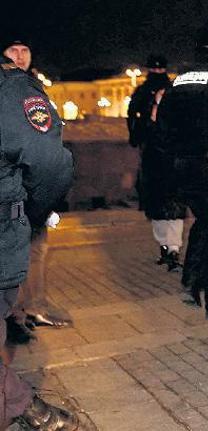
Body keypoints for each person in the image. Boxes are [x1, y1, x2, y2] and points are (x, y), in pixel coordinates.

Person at [0, 50, 78, 430]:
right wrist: (30, 214)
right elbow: (49, 163)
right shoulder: (11, 88)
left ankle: (18, 403)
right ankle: (18, 403)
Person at [155, 27, 208, 319]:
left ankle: (191, 282)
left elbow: (161, 124)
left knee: (205, 221)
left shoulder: (180, 78)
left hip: (180, 164)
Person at [2, 34, 72, 338]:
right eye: (12, 50)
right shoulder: (20, 88)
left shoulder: (27, 84)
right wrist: (41, 204)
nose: (19, 55)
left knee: (34, 251)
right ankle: (19, 314)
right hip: (18, 193)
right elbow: (43, 152)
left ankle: (28, 308)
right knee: (24, 252)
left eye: (25, 49)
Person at [127, 54, 186, 271]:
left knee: (175, 206)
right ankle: (165, 246)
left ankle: (173, 248)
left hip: (171, 158)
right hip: (153, 157)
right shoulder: (143, 93)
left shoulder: (172, 92)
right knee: (156, 206)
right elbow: (132, 118)